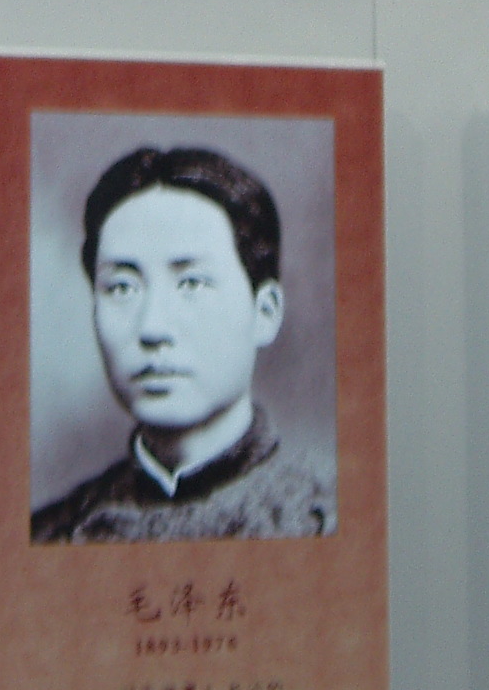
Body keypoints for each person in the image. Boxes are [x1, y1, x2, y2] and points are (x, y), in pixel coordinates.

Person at [30, 146, 334, 542]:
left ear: (265, 312)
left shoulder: (328, 521)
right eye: (122, 288)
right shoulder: (50, 535)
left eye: (192, 284)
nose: (152, 328)